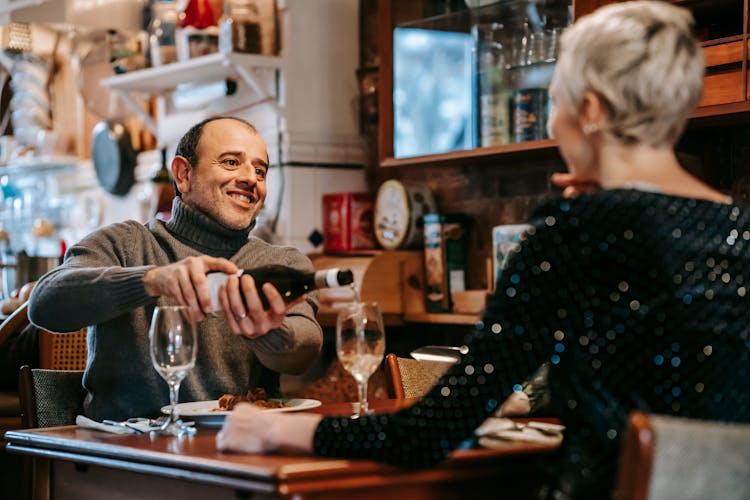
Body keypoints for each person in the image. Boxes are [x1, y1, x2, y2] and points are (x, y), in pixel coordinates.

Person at [215, 3, 750, 498]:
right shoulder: (737, 229)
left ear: (589, 108)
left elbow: (431, 433)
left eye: (555, 98)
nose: (552, 117)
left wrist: (274, 428)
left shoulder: (574, 230)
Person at [28, 117, 323, 422]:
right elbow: (44, 304)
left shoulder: (283, 264)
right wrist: (152, 279)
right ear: (184, 174)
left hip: (234, 454)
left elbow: (305, 352)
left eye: (260, 170)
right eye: (232, 162)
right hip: (124, 457)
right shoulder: (125, 244)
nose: (251, 178)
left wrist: (266, 329)